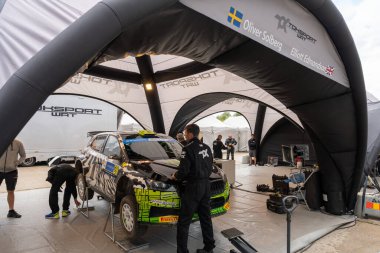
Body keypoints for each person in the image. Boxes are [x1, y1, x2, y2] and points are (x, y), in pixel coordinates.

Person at [171, 123, 215, 253]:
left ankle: (182, 251)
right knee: (206, 218)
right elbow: (210, 166)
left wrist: (175, 176)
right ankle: (209, 248)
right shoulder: (207, 147)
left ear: (190, 134)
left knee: (184, 222)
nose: (185, 136)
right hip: (206, 186)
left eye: (185, 134)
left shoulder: (187, 149)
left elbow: (183, 171)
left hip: (193, 187)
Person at [0, 139, 26, 218]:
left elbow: (23, 155)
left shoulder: (18, 143)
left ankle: (11, 211)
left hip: (12, 171)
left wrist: (18, 162)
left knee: (11, 191)